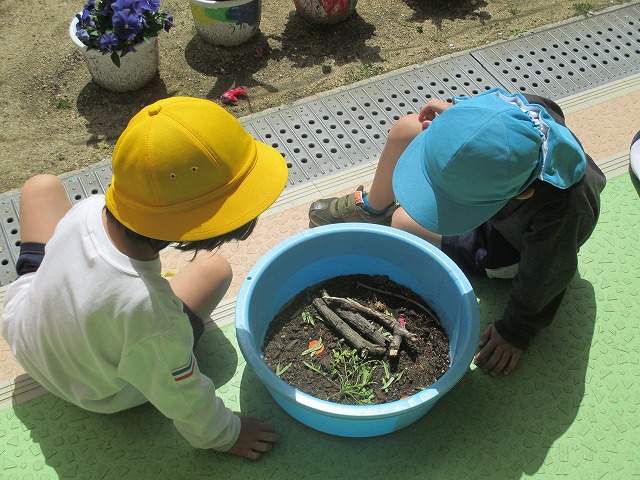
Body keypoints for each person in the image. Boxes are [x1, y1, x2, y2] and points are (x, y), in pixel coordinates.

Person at [2, 97, 288, 460]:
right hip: (96, 389)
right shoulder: (154, 317)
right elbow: (183, 398)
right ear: (202, 226)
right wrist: (228, 434)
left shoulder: (89, 209)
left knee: (41, 186)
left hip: (24, 326)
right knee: (215, 271)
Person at [309, 88, 606, 376]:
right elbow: (485, 125)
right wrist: (455, 120)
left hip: (508, 245)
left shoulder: (562, 213)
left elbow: (547, 275)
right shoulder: (519, 113)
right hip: (492, 198)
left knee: (401, 221)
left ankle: (396, 213)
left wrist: (517, 330)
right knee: (409, 128)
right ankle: (374, 207)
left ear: (523, 193)